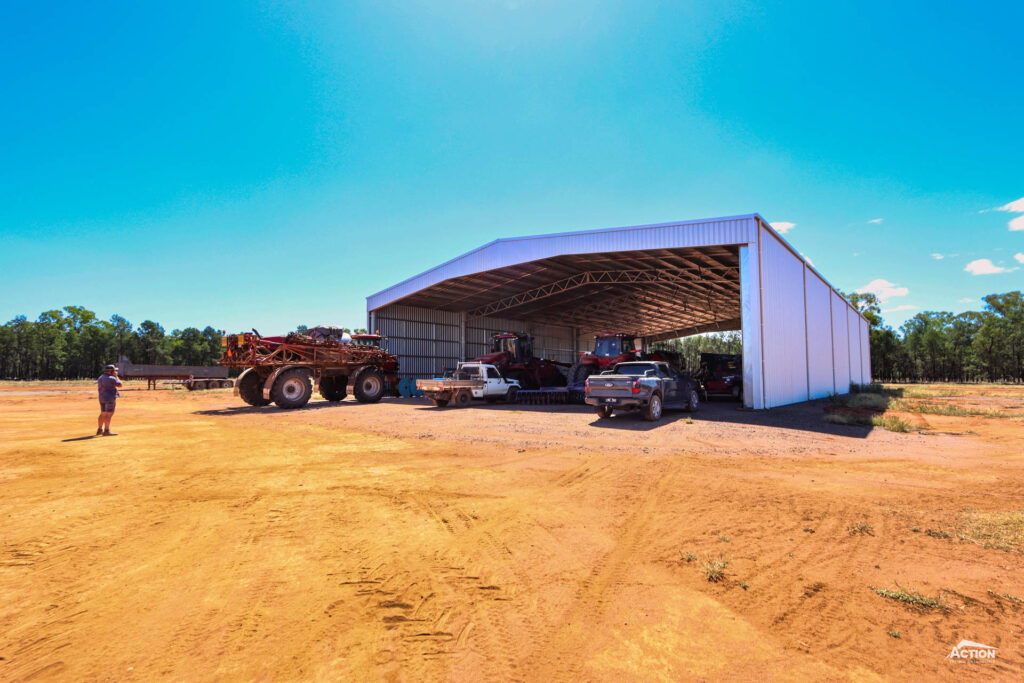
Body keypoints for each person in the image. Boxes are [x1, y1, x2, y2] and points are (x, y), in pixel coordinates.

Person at [97, 364, 123, 436]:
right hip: (110, 398)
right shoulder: (112, 378)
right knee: (109, 414)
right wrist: (116, 376)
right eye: (114, 370)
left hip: (102, 397)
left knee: (103, 413)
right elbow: (120, 385)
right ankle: (107, 430)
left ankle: (99, 429)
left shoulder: (100, 377)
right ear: (111, 371)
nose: (115, 372)